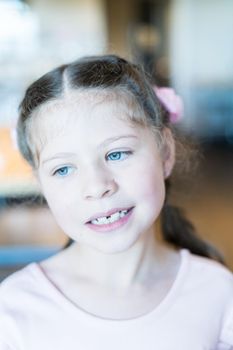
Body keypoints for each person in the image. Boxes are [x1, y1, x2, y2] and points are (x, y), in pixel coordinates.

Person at [0, 55, 232, 350]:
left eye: (117, 154)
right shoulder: (13, 312)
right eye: (63, 169)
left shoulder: (218, 294)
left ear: (165, 153)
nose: (97, 187)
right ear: (41, 184)